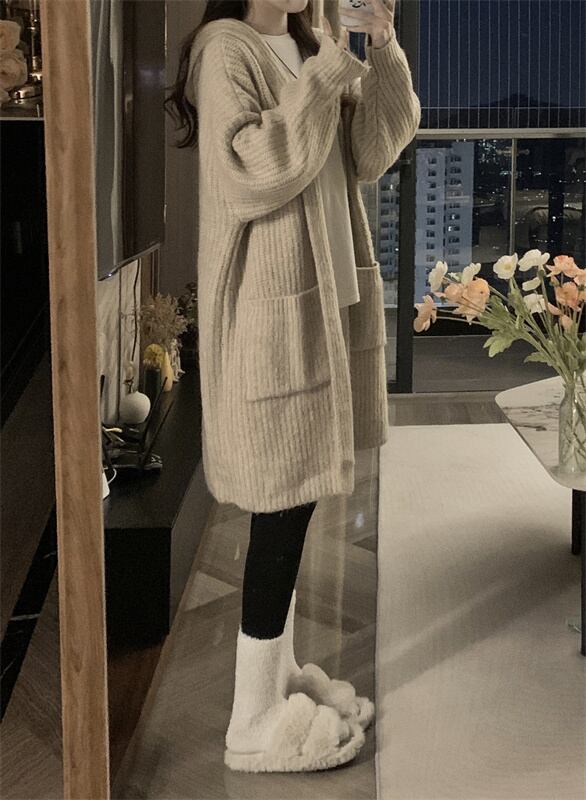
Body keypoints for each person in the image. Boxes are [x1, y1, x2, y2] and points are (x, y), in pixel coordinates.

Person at [165, 0, 420, 773]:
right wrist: (327, 73)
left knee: (297, 500)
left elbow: (371, 152)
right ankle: (250, 721)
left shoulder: (309, 44)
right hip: (271, 311)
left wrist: (382, 47)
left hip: (327, 299)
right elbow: (251, 173)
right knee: (280, 507)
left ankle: (280, 678)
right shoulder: (226, 49)